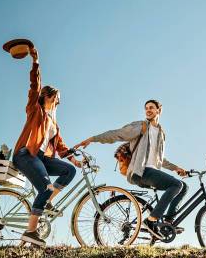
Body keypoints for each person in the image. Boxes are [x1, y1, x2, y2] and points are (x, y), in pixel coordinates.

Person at [75, 99, 188, 238]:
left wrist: (176, 168)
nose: (148, 110)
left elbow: (159, 159)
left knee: (184, 187)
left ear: (159, 110)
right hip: (140, 172)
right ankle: (151, 220)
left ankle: (168, 223)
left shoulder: (161, 133)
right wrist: (93, 138)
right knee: (177, 184)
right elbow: (117, 134)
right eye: (146, 108)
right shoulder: (141, 126)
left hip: (152, 172)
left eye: (151, 107)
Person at [12, 46, 82, 247]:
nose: (58, 102)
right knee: (45, 188)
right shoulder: (35, 110)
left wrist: (74, 160)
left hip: (40, 158)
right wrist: (35, 63)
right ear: (48, 96)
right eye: (56, 98)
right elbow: (34, 86)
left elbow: (60, 146)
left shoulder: (53, 122)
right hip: (26, 154)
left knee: (68, 171)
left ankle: (47, 199)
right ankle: (30, 232)